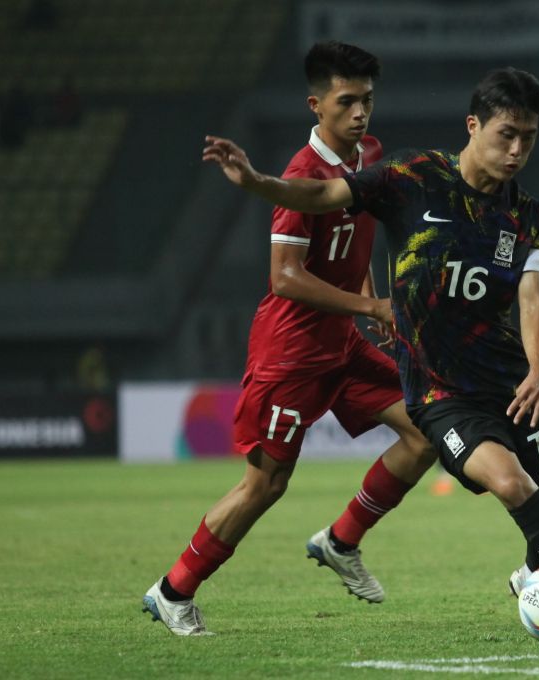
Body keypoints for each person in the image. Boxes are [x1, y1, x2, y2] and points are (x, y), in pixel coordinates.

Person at [200, 67, 539, 647]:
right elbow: (319, 195)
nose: (517, 150)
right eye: (505, 135)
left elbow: (533, 299)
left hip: (511, 382)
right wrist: (256, 181)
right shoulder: (412, 177)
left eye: (529, 138)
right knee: (509, 482)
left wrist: (538, 371)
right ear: (474, 126)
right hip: (441, 391)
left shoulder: (525, 215)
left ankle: (534, 573)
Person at [142, 41, 438, 637]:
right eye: (347, 101)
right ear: (316, 104)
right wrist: (370, 305)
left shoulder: (368, 155)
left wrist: (371, 301)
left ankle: (341, 539)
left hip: (343, 344)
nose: (361, 114)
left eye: (368, 101)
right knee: (267, 483)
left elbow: (360, 242)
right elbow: (284, 277)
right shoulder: (303, 175)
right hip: (292, 352)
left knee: (427, 427)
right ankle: (173, 590)